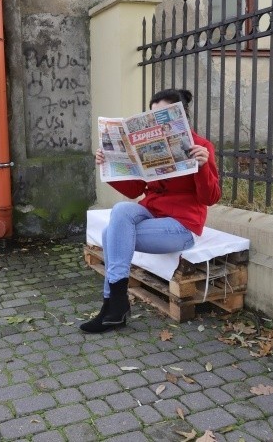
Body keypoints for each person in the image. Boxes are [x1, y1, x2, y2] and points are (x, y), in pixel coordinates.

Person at [80, 89, 221, 333]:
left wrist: (202, 166)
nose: (157, 120)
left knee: (109, 236)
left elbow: (210, 198)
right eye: (153, 114)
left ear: (181, 115)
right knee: (121, 210)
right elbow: (135, 190)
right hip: (152, 213)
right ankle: (116, 305)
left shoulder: (201, 146)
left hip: (182, 225)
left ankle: (112, 305)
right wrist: (110, 165)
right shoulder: (147, 145)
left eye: (163, 115)